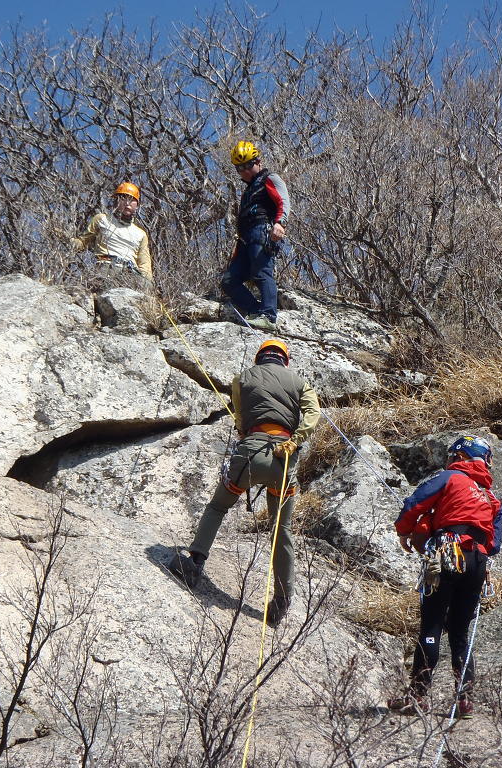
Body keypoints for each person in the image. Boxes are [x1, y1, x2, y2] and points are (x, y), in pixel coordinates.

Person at [169, 338, 320, 627]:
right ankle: (282, 599)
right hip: (283, 459)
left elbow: (240, 417)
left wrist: (243, 430)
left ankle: (195, 562)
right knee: (282, 530)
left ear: (259, 358)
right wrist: (296, 439)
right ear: (285, 360)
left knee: (218, 506)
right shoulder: (300, 381)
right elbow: (313, 414)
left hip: (250, 454)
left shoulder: (243, 378)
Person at [389, 435, 502, 717]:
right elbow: (495, 543)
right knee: (460, 631)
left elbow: (415, 502)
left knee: (432, 625)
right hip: (477, 560)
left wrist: (404, 530)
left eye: (453, 456)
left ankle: (417, 697)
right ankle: (464, 699)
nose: (450, 461)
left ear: (461, 457)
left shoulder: (451, 477)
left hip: (447, 553)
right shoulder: (491, 498)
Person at [221, 141, 290, 332]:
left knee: (262, 273)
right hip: (244, 238)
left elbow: (283, 200)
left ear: (258, 161)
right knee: (229, 281)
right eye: (239, 168)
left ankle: (268, 316)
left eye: (248, 165)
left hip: (262, 231)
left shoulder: (270, 178)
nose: (245, 171)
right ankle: (256, 311)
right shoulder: (248, 191)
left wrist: (280, 223)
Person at [72, 182, 153, 283]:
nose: (127, 203)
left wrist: (148, 283)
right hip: (106, 268)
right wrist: (69, 241)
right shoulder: (102, 220)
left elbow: (144, 265)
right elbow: (83, 241)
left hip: (131, 274)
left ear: (137, 205)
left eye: (131, 199)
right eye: (123, 198)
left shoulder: (141, 234)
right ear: (116, 200)